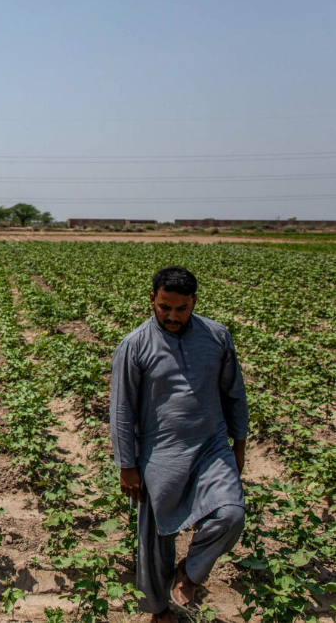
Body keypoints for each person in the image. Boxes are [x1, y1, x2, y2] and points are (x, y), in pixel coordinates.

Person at [110, 266, 248, 622]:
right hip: (161, 451)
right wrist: (127, 465)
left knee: (231, 513)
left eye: (181, 309)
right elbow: (122, 410)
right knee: (156, 539)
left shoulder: (217, 336)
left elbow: (234, 393)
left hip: (211, 446)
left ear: (194, 302)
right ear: (152, 300)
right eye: (164, 307)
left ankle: (189, 573)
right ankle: (159, 612)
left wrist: (239, 444)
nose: (172, 316)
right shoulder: (135, 345)